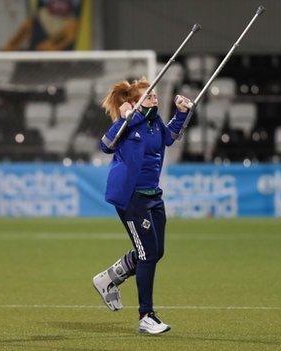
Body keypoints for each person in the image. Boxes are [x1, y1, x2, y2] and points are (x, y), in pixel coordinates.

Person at [92, 78, 192, 334]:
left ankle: (109, 278)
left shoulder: (154, 122)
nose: (155, 99)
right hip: (131, 197)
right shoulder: (130, 122)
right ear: (133, 103)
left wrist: (182, 113)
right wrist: (124, 118)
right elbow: (105, 145)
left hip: (153, 196)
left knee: (156, 251)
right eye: (149, 97)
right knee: (147, 253)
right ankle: (146, 316)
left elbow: (169, 138)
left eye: (155, 96)